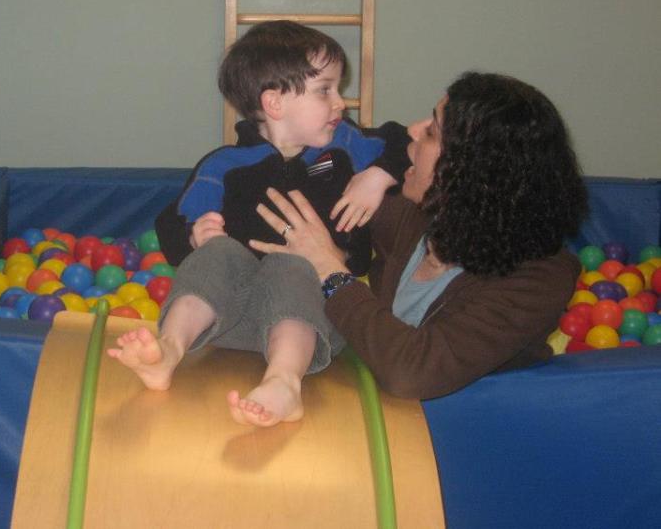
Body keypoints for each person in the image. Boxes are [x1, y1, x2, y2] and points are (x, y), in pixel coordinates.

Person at [108, 20, 411, 426]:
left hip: (313, 317)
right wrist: (193, 236)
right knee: (218, 252)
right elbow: (173, 221)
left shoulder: (347, 147)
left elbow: (408, 143)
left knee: (292, 262)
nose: (341, 103)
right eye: (325, 90)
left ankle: (284, 382)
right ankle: (169, 349)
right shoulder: (225, 166)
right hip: (230, 318)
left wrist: (378, 176)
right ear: (274, 103)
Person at [249, 71, 589, 400]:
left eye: (431, 132)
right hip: (374, 402)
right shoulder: (417, 215)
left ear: (469, 169)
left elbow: (411, 373)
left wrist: (331, 271)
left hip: (457, 426)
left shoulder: (540, 279)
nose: (412, 130)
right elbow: (311, 186)